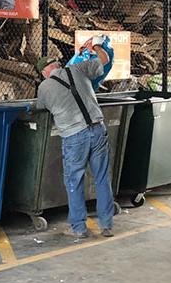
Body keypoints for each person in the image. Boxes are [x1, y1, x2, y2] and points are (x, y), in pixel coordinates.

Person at [34, 36, 115, 240]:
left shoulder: (44, 87)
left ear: (45, 72)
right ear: (57, 65)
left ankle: (79, 228)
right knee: (102, 178)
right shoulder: (78, 69)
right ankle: (106, 225)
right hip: (98, 129)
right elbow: (104, 59)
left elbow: (41, 108)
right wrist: (95, 46)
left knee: (74, 181)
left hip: (74, 136)